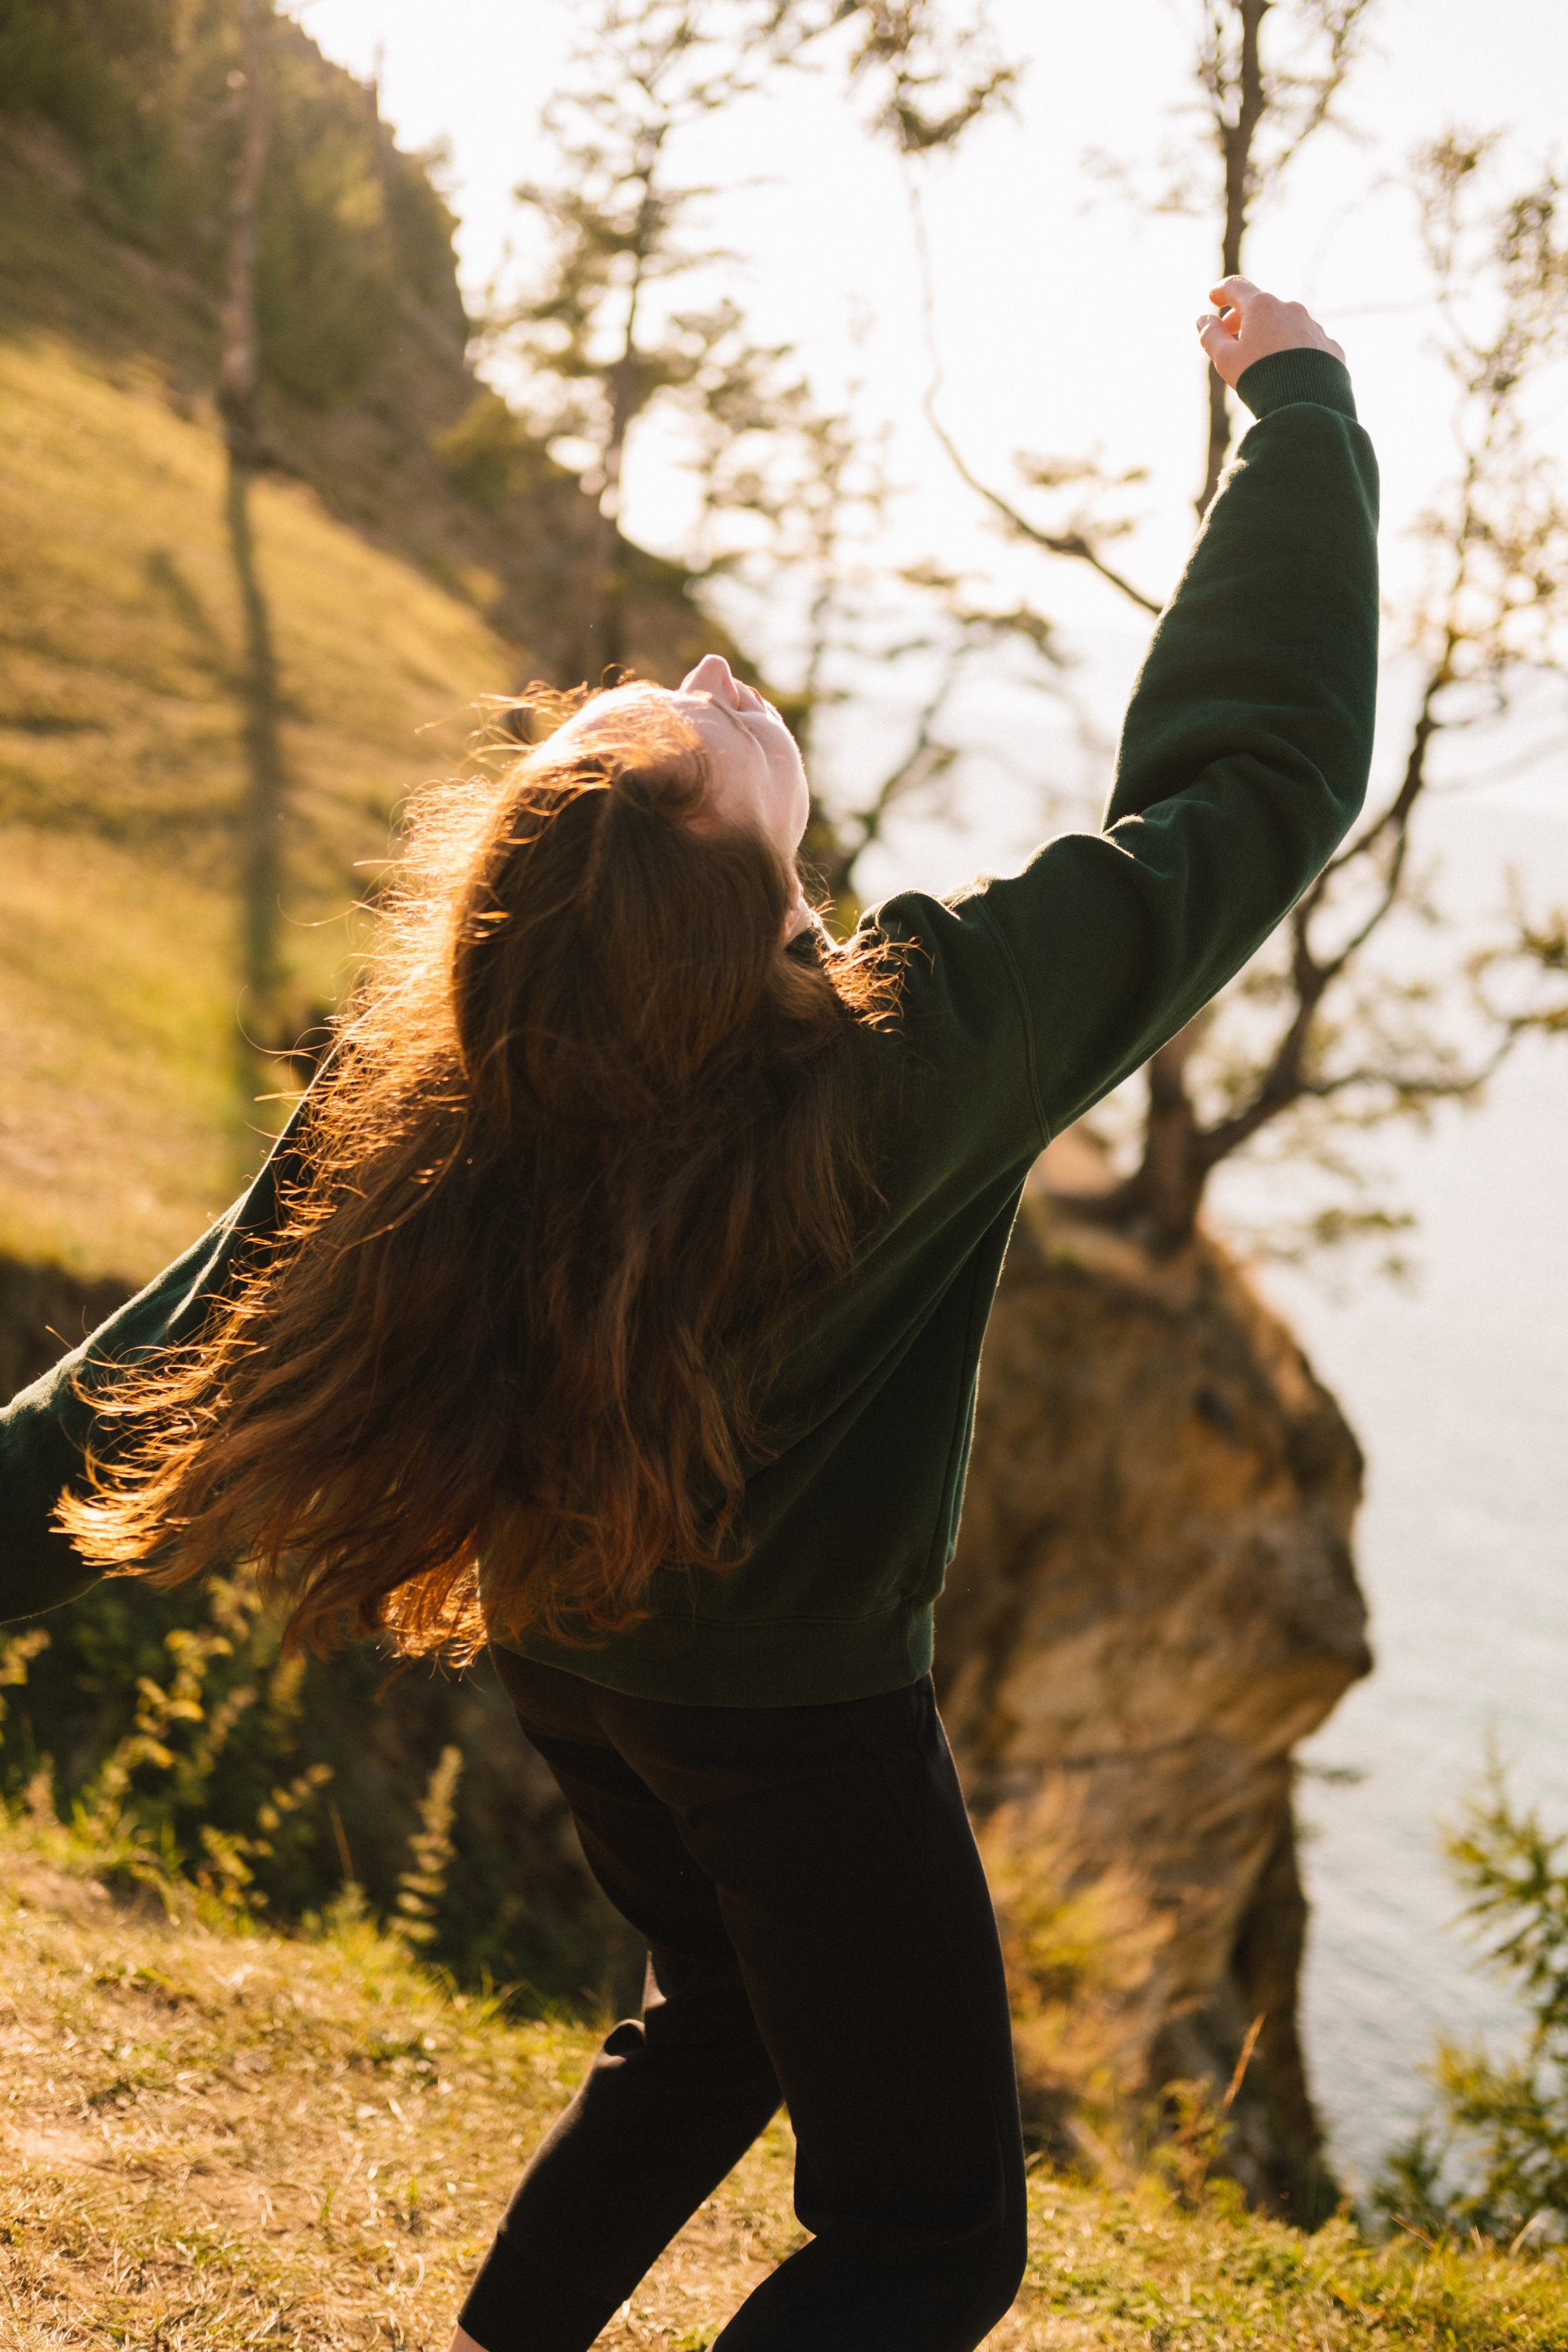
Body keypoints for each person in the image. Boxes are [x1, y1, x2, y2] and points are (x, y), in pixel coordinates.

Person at [0, 277, 1378, 2352]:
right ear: (736, 904)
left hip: (579, 1644)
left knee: (721, 2009)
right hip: (807, 1728)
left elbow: (157, 1365)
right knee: (929, 2245)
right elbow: (1248, 785)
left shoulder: (445, 1080)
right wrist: (1300, 411)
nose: (721, 678)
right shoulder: (909, 1063)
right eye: (695, 734)